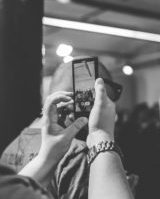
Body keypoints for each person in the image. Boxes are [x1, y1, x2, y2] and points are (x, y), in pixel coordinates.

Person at [0, 56, 124, 199]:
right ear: (89, 100)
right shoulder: (79, 156)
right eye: (105, 102)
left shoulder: (12, 145)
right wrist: (102, 137)